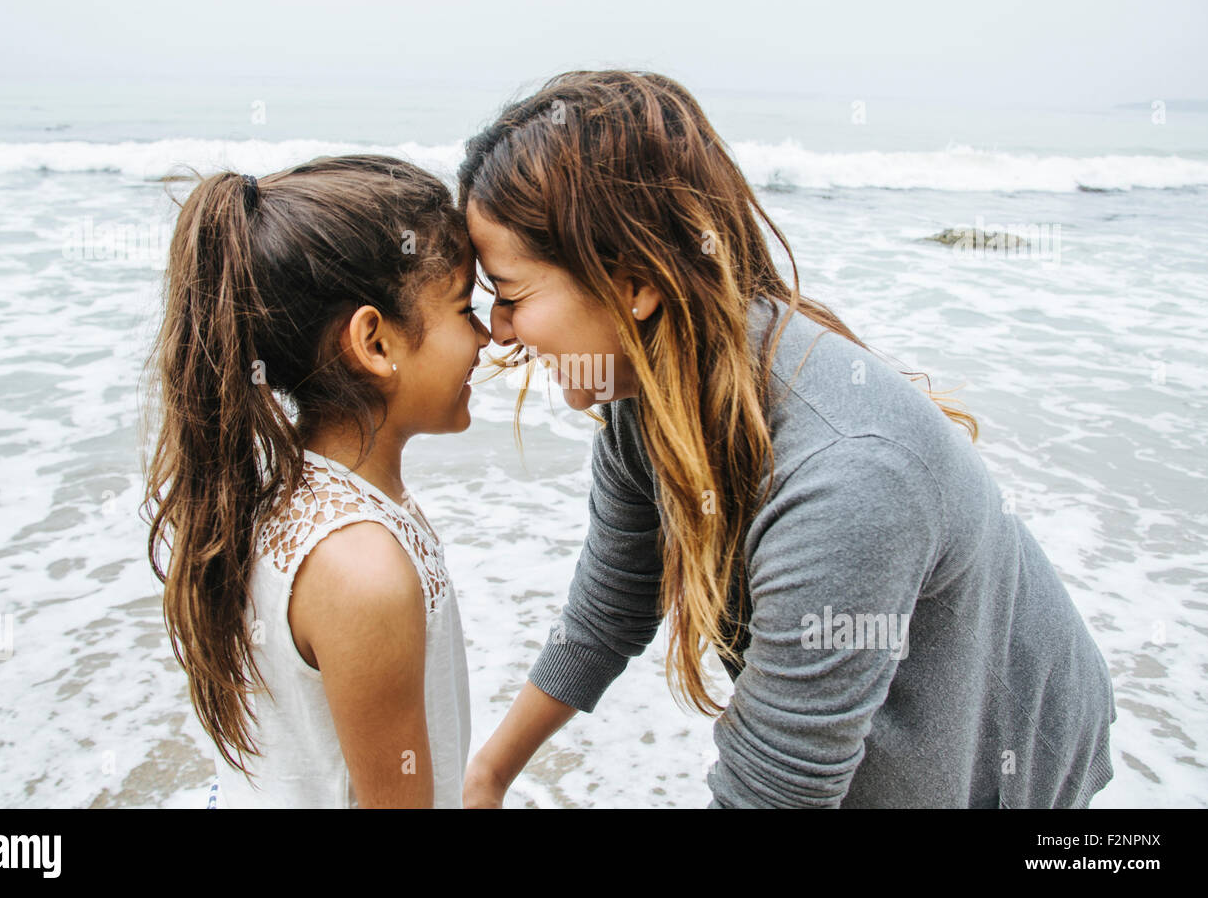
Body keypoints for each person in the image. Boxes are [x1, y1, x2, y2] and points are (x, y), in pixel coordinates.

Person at [456, 70, 1116, 808]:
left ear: (635, 282)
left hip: (1002, 748)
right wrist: (487, 776)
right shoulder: (645, 404)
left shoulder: (847, 477)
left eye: (510, 294)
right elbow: (609, 609)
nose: (498, 331)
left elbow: (774, 791)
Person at [141, 154, 491, 807]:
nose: (489, 335)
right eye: (466, 309)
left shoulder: (276, 492)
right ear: (375, 343)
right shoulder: (364, 570)